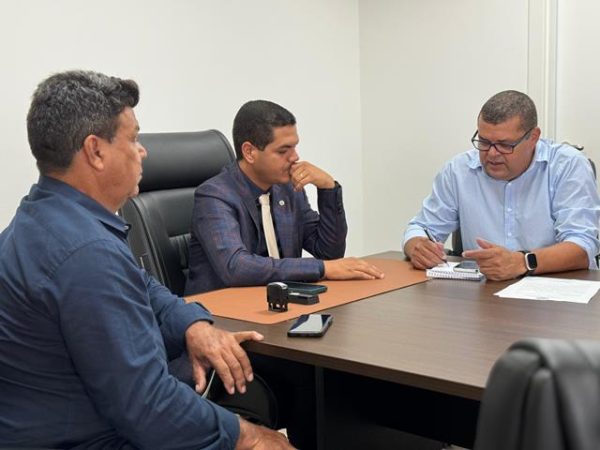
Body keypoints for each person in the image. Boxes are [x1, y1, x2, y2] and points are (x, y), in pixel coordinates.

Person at [0, 70, 292, 449]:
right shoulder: (86, 254)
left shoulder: (42, 218)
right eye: (134, 138)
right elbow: (150, 409)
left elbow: (146, 287)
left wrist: (192, 325)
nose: (142, 151)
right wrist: (250, 437)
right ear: (95, 151)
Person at [184, 99, 384, 296]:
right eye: (283, 150)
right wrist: (322, 268)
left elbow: (329, 253)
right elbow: (236, 267)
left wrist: (328, 188)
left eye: (294, 147)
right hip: (222, 310)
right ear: (250, 152)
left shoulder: (287, 189)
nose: (295, 157)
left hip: (280, 304)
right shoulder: (214, 196)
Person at [403, 90, 600, 281]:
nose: (492, 153)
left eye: (505, 145)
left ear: (533, 138)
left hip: (558, 290)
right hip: (484, 292)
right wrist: (417, 247)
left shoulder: (568, 165)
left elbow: (582, 246)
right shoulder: (458, 171)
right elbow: (421, 227)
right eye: (484, 142)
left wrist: (522, 262)